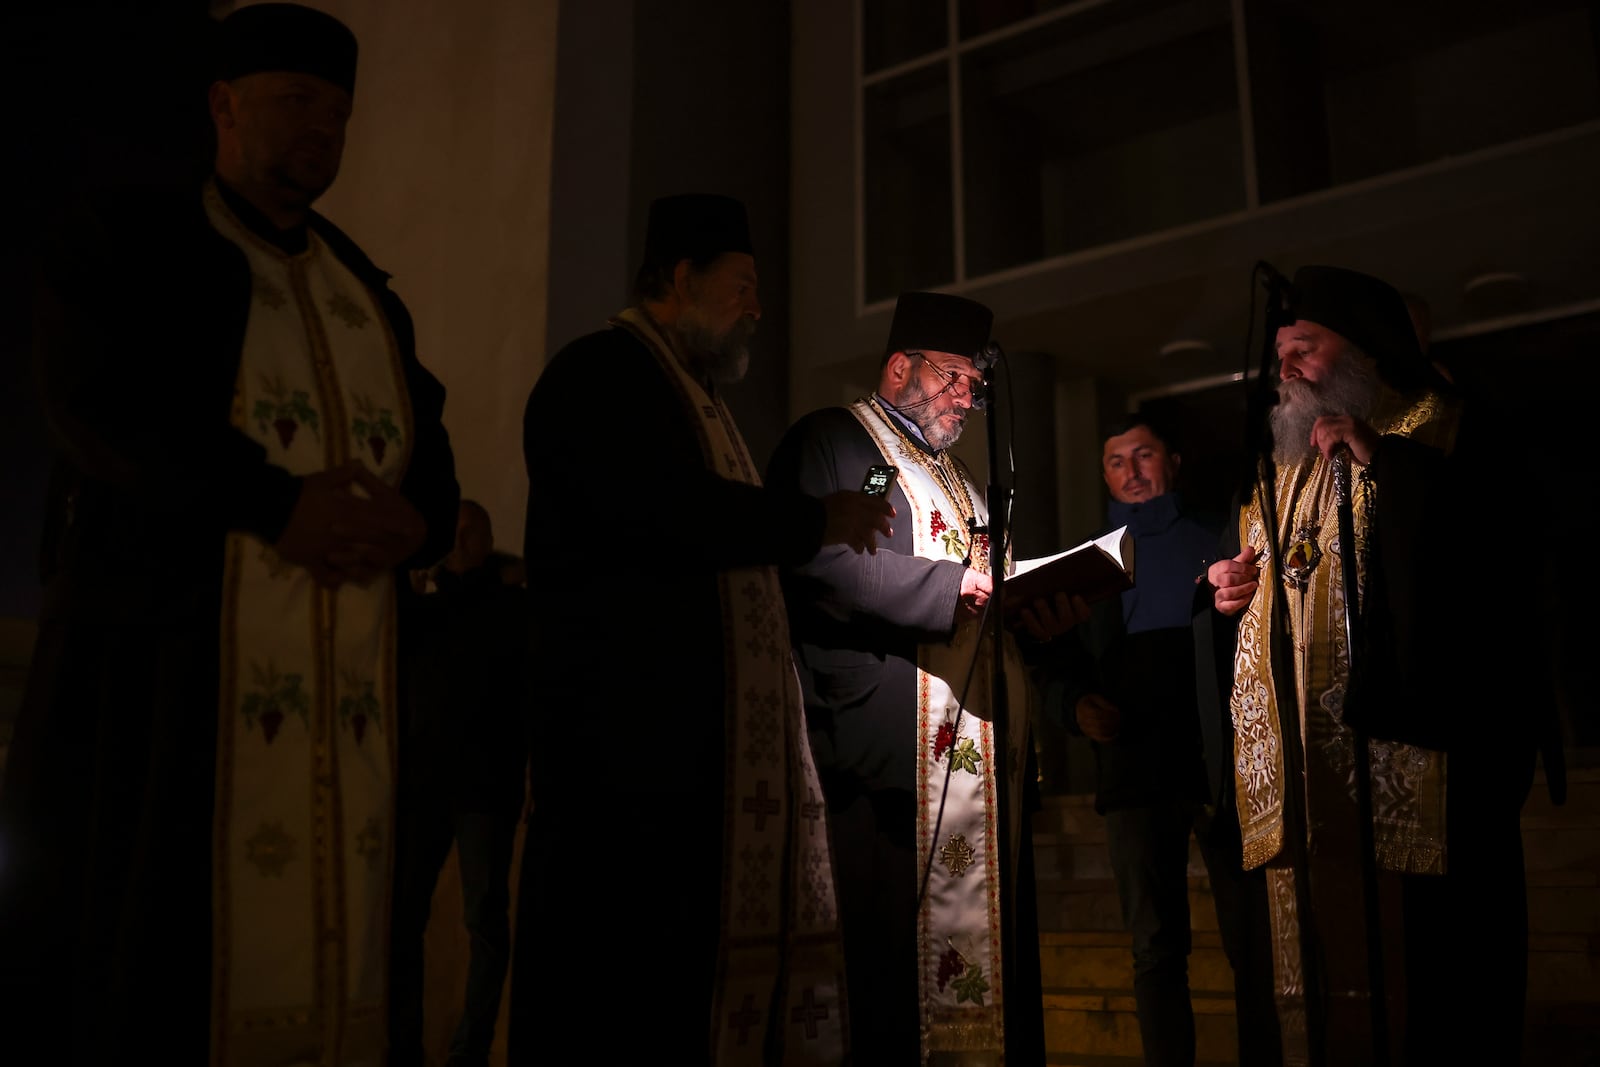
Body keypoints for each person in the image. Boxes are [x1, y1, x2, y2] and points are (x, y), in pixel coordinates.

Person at [0, 5, 460, 1065]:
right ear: (223, 106)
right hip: (169, 668)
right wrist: (277, 503)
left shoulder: (363, 291)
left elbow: (425, 441)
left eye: (338, 114)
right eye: (297, 101)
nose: (321, 130)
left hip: (349, 686)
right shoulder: (128, 238)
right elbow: (100, 402)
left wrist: (418, 520)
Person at [507, 192, 895, 1065]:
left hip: (688, 772)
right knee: (621, 1001)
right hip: (622, 764)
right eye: (743, 284)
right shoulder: (599, 375)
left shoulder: (696, 399)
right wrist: (810, 520)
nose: (757, 306)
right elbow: (663, 513)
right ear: (680, 279)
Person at [1200, 264, 1552, 1065]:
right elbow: (1258, 594)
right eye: (1280, 349)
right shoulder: (1273, 473)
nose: (1284, 365)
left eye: (1306, 347)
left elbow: (1503, 556)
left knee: (1430, 998)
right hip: (1298, 789)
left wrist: (1388, 465)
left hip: (1425, 774)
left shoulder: (1444, 427)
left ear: (1362, 352)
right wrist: (1219, 592)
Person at [764, 290, 1089, 1065]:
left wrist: (1034, 620)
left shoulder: (966, 485)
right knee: (886, 986)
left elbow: (994, 589)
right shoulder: (852, 448)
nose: (967, 398)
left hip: (977, 772)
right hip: (883, 770)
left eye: (976, 386)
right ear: (899, 365)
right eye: (952, 378)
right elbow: (835, 559)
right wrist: (953, 591)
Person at [1054, 413, 1279, 1066]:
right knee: (1154, 949)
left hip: (1221, 767)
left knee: (1251, 943)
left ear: (1172, 462)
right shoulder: (1085, 562)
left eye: (1143, 454)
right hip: (1132, 772)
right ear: (1103, 473)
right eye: (1116, 461)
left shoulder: (1223, 537)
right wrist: (1075, 705)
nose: (1131, 471)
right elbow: (1060, 660)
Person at [389, 500, 529, 1067]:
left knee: (485, 922)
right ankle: (403, 1045)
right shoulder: (423, 606)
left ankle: (469, 1049)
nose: (463, 536)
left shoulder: (511, 604)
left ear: (489, 536)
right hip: (424, 784)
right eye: (457, 528)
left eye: (474, 528)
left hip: (486, 786)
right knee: (403, 919)